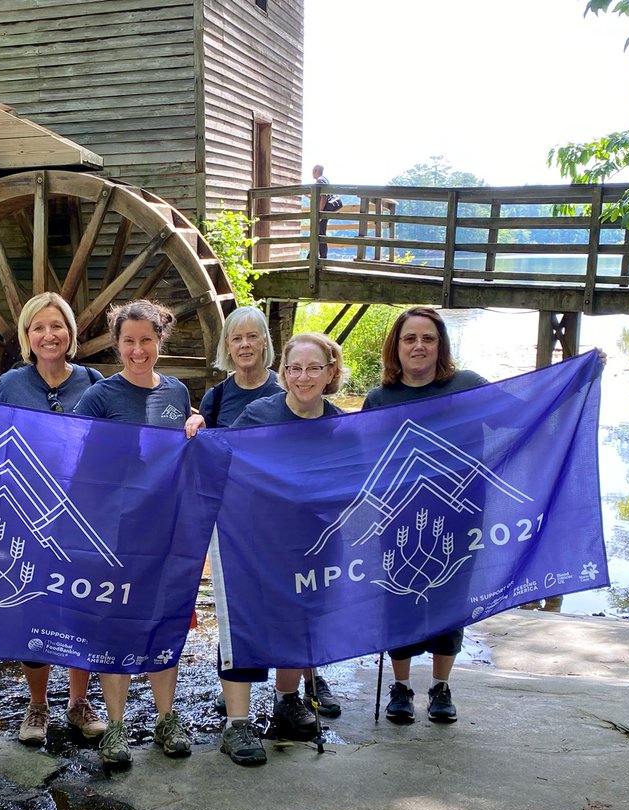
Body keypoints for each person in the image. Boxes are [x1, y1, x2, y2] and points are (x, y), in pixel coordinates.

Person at [200, 309, 341, 767]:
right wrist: (195, 432)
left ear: (329, 373)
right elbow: (223, 461)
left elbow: (352, 484)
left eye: (313, 368)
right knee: (244, 618)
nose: (304, 377)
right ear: (284, 373)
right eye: (296, 368)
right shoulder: (259, 413)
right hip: (255, 537)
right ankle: (237, 724)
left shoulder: (340, 424)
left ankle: (287, 697)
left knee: (301, 615)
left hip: (311, 538)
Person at [73, 299, 205, 768]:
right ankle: (116, 726)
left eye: (146, 340)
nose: (137, 349)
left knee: (164, 621)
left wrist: (196, 426)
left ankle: (167, 719)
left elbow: (179, 450)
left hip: (165, 529)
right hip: (115, 533)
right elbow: (77, 465)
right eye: (128, 341)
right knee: (114, 625)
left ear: (159, 340)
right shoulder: (100, 397)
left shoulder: (175, 392)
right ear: (117, 344)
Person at [362, 307, 489, 725]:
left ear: (441, 346)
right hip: (398, 513)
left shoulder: (467, 387)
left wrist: (577, 378)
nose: (419, 346)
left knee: (450, 595)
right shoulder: (380, 398)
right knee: (399, 597)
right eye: (410, 338)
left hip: (460, 512)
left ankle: (440, 685)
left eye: (428, 339)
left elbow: (526, 410)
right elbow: (361, 456)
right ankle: (401, 686)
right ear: (396, 347)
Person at [0, 292, 108, 746]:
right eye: (37, 328)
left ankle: (78, 702)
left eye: (56, 326)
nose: (48, 335)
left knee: (81, 606)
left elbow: (117, 440)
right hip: (28, 514)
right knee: (33, 607)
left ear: (71, 334)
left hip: (83, 515)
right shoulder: (11, 385)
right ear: (26, 336)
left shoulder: (94, 381)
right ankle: (37, 705)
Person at [312, 164, 333, 260]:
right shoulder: (325, 180)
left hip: (322, 212)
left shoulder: (320, 180)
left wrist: (319, 213)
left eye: (313, 171)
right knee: (319, 233)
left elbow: (323, 197)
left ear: (316, 171)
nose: (312, 173)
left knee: (320, 233)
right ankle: (313, 256)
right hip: (325, 211)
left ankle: (322, 257)